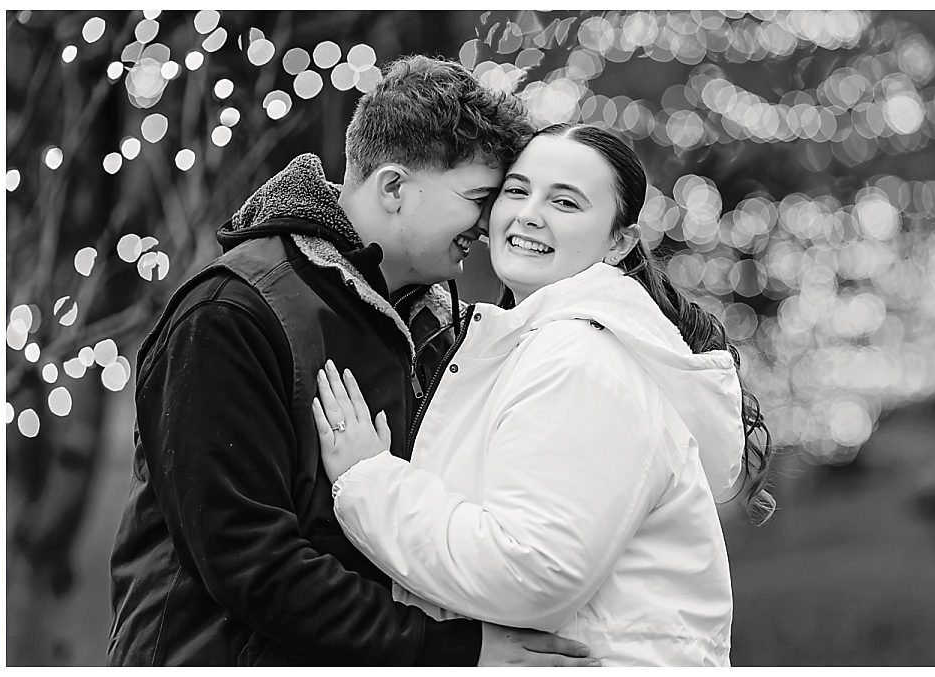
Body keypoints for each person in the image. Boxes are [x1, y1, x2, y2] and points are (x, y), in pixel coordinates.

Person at [109, 55, 594, 666]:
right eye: (480, 197)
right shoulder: (230, 315)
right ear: (393, 188)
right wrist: (450, 652)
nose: (493, 220)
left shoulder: (446, 330)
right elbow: (249, 561)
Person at [312, 122, 776, 666]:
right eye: (517, 190)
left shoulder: (581, 358)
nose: (530, 213)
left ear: (618, 242)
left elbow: (533, 571)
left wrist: (368, 481)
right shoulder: (537, 346)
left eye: (565, 202)